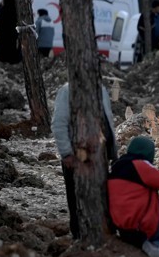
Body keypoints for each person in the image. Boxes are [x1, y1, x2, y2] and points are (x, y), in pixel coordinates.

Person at [51, 81, 118, 239]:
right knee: (76, 198)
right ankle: (79, 235)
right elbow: (59, 123)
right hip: (77, 156)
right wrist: (66, 153)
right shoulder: (68, 91)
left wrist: (112, 151)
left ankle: (102, 232)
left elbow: (107, 119)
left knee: (100, 196)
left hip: (100, 156)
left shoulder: (99, 88)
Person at [0, 0, 20, 64]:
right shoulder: (16, 11)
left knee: (2, 58)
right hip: (12, 38)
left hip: (2, 38)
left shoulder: (3, 10)